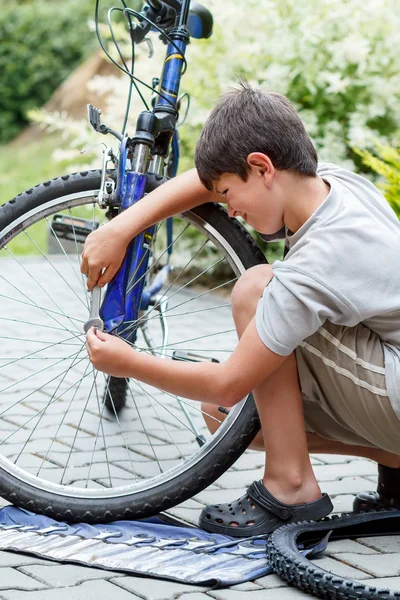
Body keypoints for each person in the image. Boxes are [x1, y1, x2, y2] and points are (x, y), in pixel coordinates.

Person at [82, 82, 400, 537]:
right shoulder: (330, 184)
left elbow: (230, 382)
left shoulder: (319, 262)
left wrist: (127, 363)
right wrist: (125, 226)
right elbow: (204, 181)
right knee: (225, 419)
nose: (228, 209)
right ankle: (394, 463)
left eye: (229, 194)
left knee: (255, 289)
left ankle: (290, 488)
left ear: (262, 167)